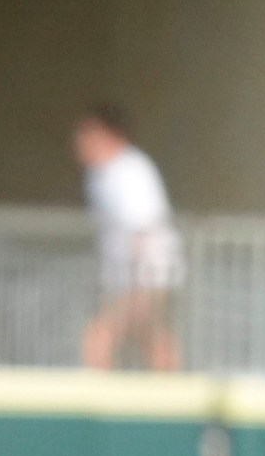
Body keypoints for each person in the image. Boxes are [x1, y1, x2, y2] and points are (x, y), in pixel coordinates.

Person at [73, 104, 184, 372]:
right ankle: (170, 396)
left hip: (146, 273)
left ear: (111, 135)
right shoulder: (99, 176)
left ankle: (99, 406)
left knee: (100, 338)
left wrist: (139, 281)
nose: (79, 142)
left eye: (88, 134)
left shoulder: (130, 171)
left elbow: (144, 227)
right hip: (128, 276)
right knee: (151, 338)